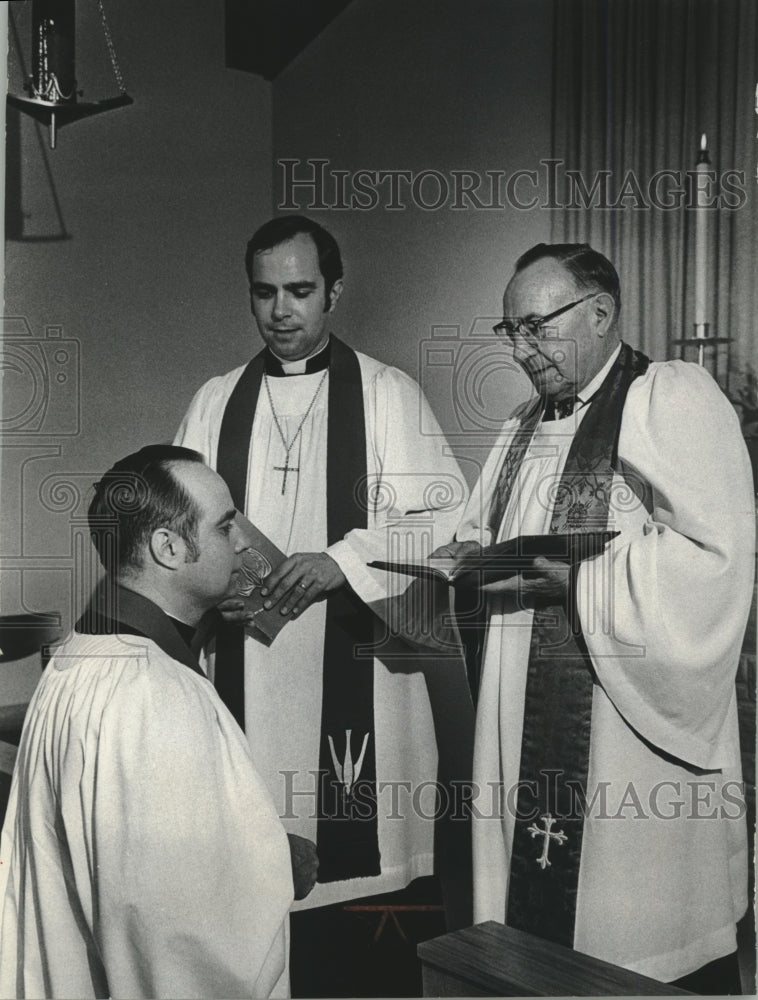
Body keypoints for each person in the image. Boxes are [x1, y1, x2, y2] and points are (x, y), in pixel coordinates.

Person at [439, 243, 754, 991]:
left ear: (602, 313)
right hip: (522, 716)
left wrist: (583, 582)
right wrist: (465, 550)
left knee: (628, 941)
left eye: (537, 327)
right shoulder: (522, 426)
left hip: (626, 726)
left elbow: (719, 559)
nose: (521, 349)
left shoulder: (671, 397)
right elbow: (485, 529)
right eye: (509, 330)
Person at [174, 215, 474, 992]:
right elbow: (172, 531)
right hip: (245, 666)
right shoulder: (213, 403)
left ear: (334, 292)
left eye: (301, 291)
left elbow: (447, 522)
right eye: (265, 293)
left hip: (358, 673)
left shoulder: (387, 394)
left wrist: (343, 562)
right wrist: (213, 595)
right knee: (249, 901)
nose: (282, 311)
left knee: (357, 928)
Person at [0, 445, 304, 999]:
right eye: (225, 526)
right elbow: (172, 932)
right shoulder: (153, 694)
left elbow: (126, 854)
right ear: (168, 547)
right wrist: (277, 863)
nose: (244, 542)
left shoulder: (81, 655)